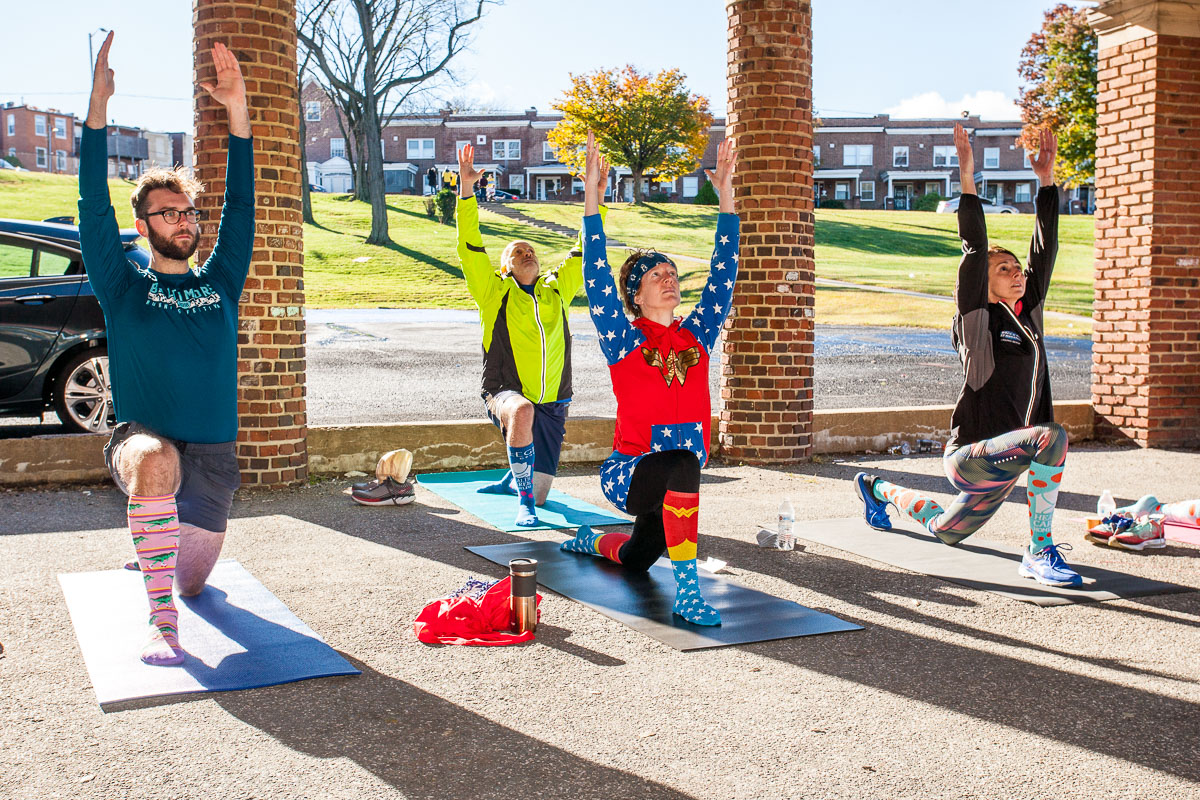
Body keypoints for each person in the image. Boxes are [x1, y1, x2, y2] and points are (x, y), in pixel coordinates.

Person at [79, 32, 254, 665]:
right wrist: (97, 110)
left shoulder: (220, 281)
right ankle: (161, 624)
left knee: (194, 581)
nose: (183, 220)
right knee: (154, 460)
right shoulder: (124, 285)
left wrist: (237, 111)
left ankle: (157, 548)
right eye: (168, 213)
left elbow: (242, 208)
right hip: (143, 439)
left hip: (213, 457)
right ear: (143, 225)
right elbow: (91, 210)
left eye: (187, 212)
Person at [852, 123, 1081, 587]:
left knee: (947, 531)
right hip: (971, 457)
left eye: (1017, 269)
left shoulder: (1028, 318)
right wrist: (968, 177)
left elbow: (1045, 251)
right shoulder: (978, 322)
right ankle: (1039, 551)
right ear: (985, 283)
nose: (1017, 274)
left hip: (1005, 461)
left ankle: (877, 489)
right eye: (1004, 269)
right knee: (1051, 437)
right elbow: (975, 248)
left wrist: (1046, 183)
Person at [560, 132, 738, 625]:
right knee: (682, 461)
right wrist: (592, 201)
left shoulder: (697, 336)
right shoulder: (624, 339)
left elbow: (723, 275)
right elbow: (596, 276)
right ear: (635, 296)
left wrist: (726, 197)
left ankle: (592, 541)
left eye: (672, 273)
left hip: (676, 480)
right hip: (630, 474)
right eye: (656, 275)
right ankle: (688, 594)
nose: (668, 278)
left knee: (638, 557)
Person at [454, 143, 603, 526]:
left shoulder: (557, 289)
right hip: (504, 391)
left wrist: (596, 196)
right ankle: (525, 505)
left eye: (530, 250)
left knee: (542, 488)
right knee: (521, 411)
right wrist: (467, 191)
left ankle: (516, 483)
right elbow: (469, 247)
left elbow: (587, 248)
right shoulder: (493, 292)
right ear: (504, 266)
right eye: (517, 252)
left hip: (554, 401)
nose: (526, 254)